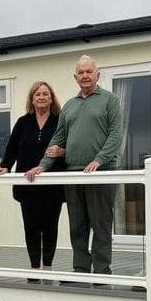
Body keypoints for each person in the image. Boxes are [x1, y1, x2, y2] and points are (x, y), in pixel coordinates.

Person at [24, 55, 123, 277]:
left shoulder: (110, 100)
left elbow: (116, 135)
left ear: (98, 74)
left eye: (89, 71)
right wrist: (42, 166)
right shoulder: (69, 106)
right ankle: (80, 270)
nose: (85, 76)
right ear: (75, 77)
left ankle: (101, 272)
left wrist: (99, 159)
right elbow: (57, 139)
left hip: (101, 172)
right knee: (77, 225)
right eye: (81, 72)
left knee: (101, 225)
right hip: (73, 173)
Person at [0, 81, 65, 279]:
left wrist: (62, 152)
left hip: (52, 186)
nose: (41, 97)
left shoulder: (60, 122)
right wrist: (4, 166)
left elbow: (68, 148)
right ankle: (34, 267)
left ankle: (47, 267)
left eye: (45, 94)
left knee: (50, 226)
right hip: (28, 184)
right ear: (32, 99)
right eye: (37, 94)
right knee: (31, 226)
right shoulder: (23, 122)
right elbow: (12, 150)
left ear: (51, 99)